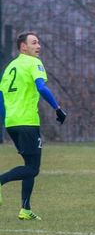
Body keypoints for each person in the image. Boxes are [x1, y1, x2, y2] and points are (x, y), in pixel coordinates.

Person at [0, 32, 67, 220]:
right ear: (23, 47)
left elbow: (1, 96)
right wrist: (57, 108)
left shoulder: (10, 67)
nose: (38, 46)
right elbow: (41, 87)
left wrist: (6, 120)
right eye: (34, 42)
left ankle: (25, 209)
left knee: (28, 164)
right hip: (27, 122)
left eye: (38, 42)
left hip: (12, 123)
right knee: (33, 169)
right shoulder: (33, 63)